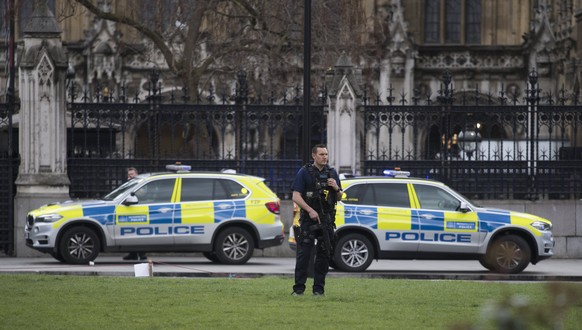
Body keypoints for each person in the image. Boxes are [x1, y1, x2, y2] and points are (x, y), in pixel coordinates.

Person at [291, 144, 342, 296]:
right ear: (314, 156)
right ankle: (299, 289)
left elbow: (339, 197)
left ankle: (319, 290)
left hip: (326, 220)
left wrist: (336, 188)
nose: (324, 157)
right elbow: (296, 196)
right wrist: (310, 210)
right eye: (321, 154)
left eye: (326, 154)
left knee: (324, 255)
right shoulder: (304, 172)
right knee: (304, 255)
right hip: (309, 219)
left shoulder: (332, 173)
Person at [122, 167, 147, 261]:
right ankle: (132, 254)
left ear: (136, 174)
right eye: (129, 175)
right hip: (130, 210)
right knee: (131, 233)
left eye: (132, 174)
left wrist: (132, 185)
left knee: (140, 233)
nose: (130, 176)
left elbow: (142, 194)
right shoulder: (128, 184)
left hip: (140, 210)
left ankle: (142, 255)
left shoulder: (141, 183)